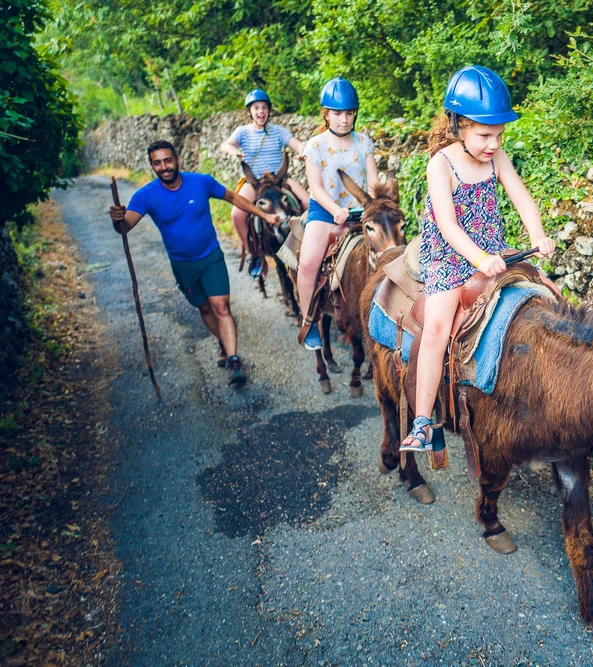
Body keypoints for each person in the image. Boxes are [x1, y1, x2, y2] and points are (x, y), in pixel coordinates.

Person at [399, 65, 556, 451]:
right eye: (485, 135)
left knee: (548, 292)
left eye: (499, 135)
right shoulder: (441, 164)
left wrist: (537, 234)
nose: (494, 144)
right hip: (450, 257)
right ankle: (422, 422)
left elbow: (522, 198)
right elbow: (449, 226)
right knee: (437, 328)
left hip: (492, 251)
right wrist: (479, 258)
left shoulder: (496, 158)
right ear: (458, 126)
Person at [109, 140, 280, 387]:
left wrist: (264, 215)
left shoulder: (201, 182)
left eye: (168, 160)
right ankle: (223, 341)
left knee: (221, 307)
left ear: (177, 160)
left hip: (211, 257)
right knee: (205, 309)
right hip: (182, 265)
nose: (164, 167)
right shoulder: (145, 195)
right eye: (157, 163)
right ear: (152, 166)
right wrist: (117, 220)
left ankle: (233, 361)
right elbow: (125, 227)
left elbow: (233, 197)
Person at [295, 77, 379, 350]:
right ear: (326, 114)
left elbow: (373, 183)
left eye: (349, 113)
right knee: (308, 264)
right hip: (324, 212)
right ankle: (308, 320)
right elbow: (316, 188)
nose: (344, 119)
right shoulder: (315, 145)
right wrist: (335, 210)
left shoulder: (364, 142)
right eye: (338, 113)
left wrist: (374, 206)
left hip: (360, 213)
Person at [219, 88, 309, 278]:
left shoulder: (278, 131)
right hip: (255, 183)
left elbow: (297, 143)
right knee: (237, 214)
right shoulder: (242, 132)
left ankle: (309, 247)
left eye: (264, 107)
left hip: (279, 181)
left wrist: (302, 151)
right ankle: (254, 254)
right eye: (256, 108)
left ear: (269, 110)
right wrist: (232, 150)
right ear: (250, 111)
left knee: (309, 203)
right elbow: (225, 145)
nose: (261, 111)